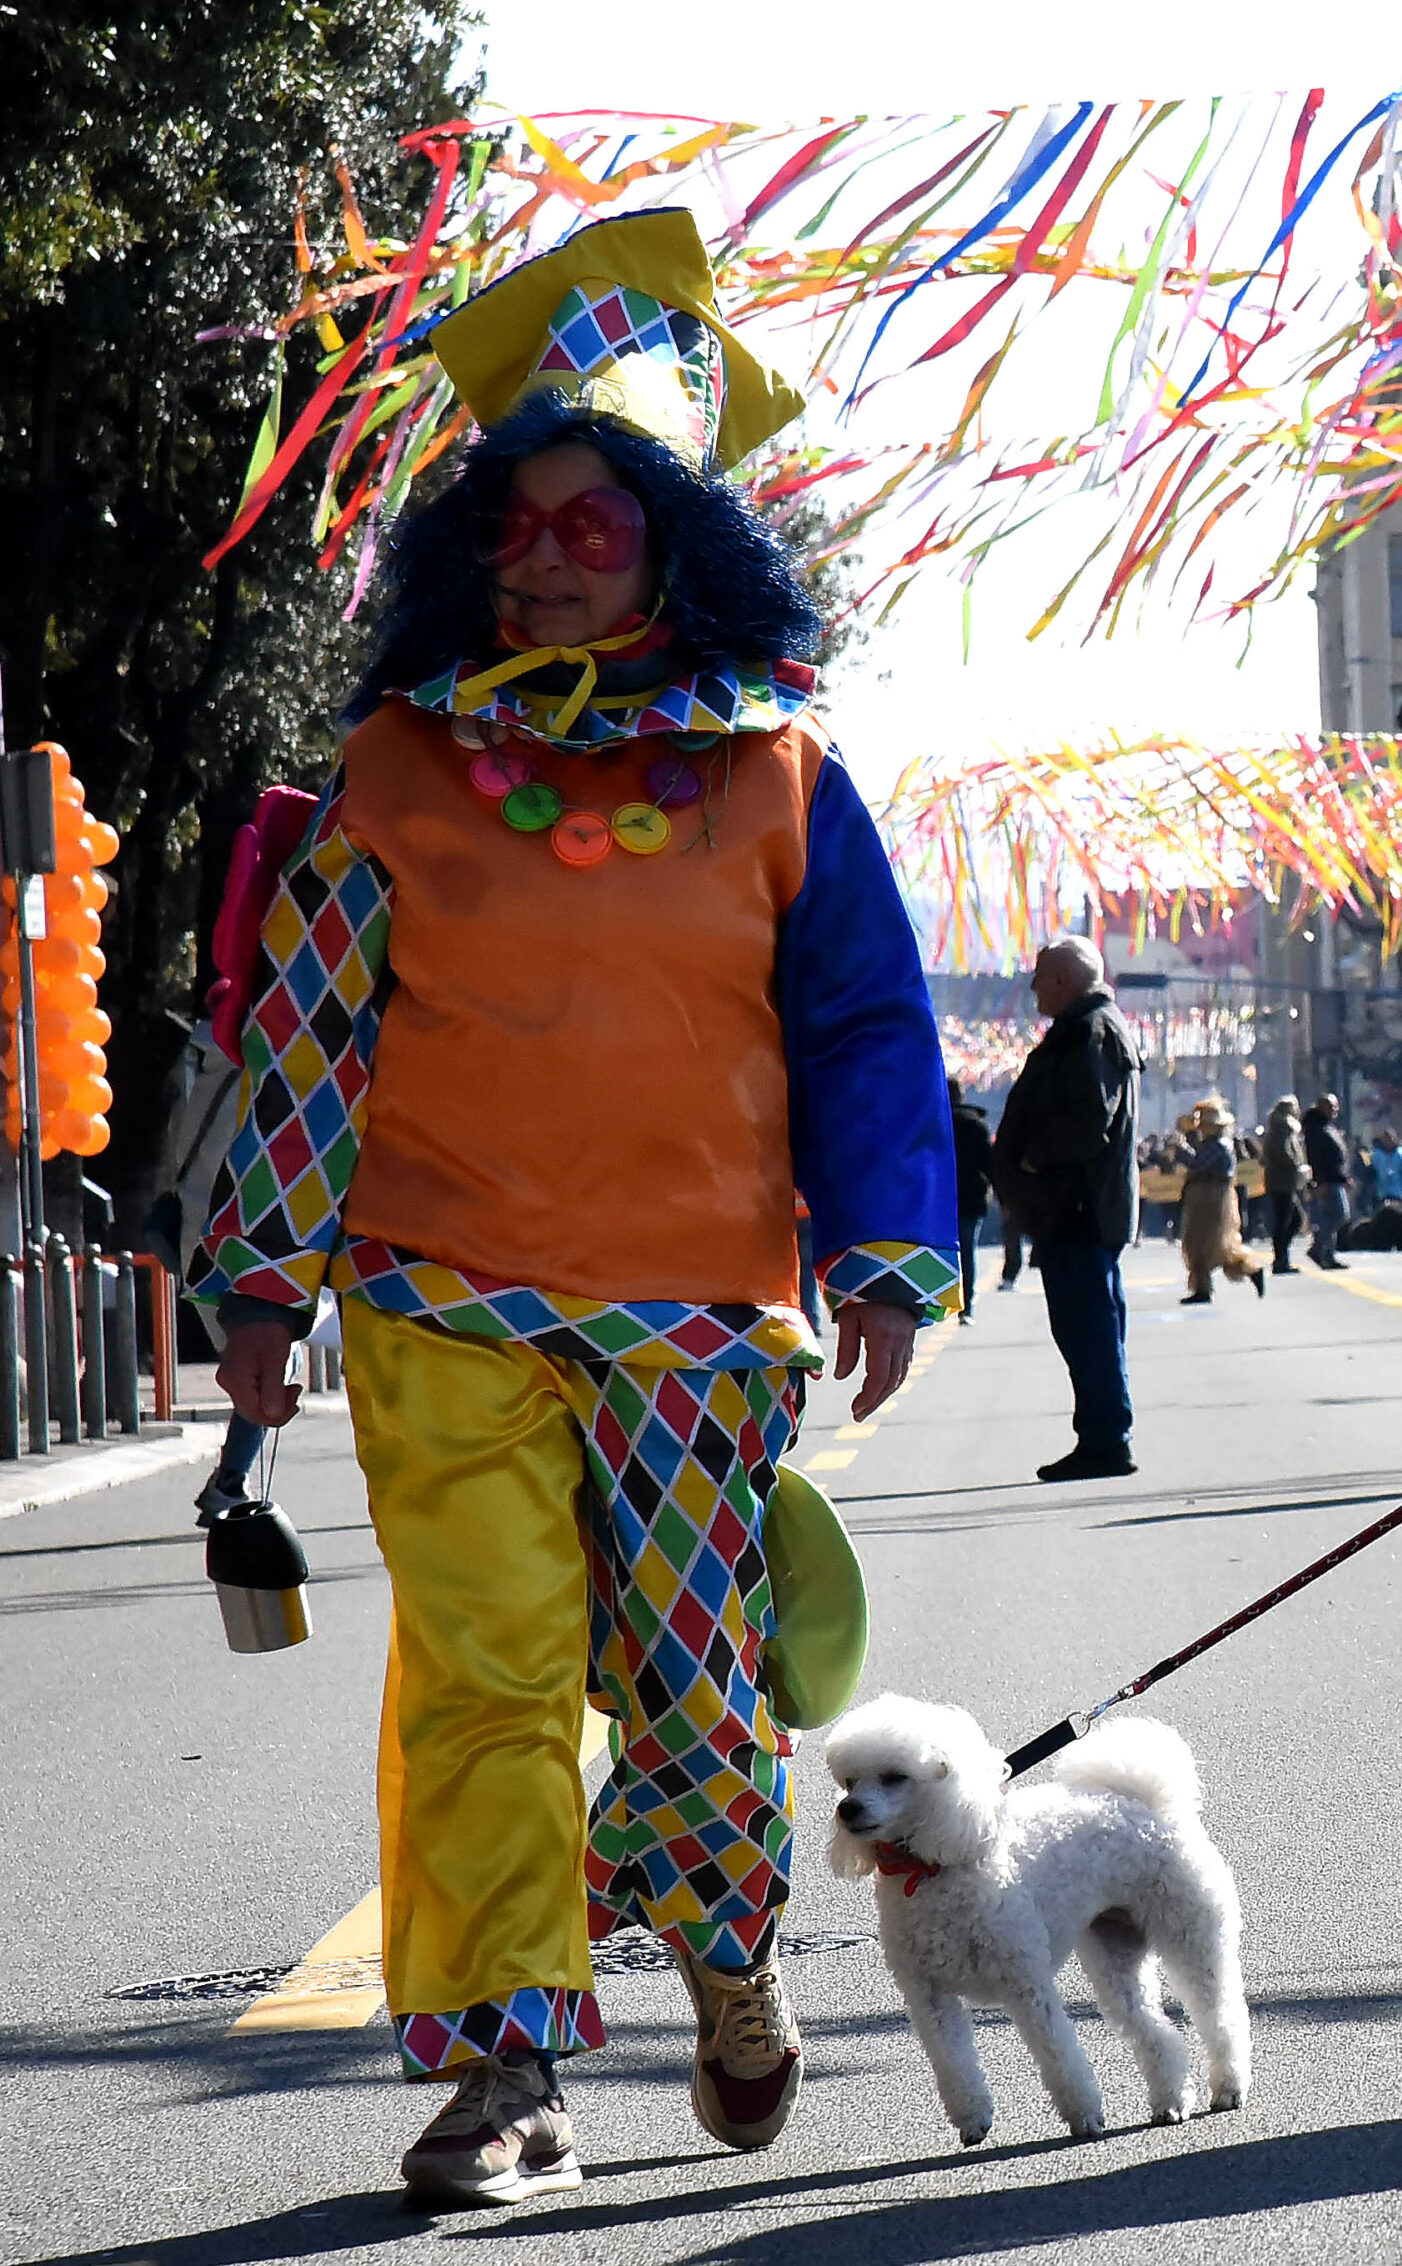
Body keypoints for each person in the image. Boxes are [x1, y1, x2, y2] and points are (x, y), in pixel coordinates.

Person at [187, 211, 958, 2204]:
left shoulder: (780, 774)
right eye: (511, 521)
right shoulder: (394, 762)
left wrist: (883, 1246)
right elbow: (309, 1038)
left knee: (701, 1693)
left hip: (696, 1319)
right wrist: (261, 1282)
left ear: (673, 544)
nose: (539, 550)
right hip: (441, 1300)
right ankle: (503, 2065)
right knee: (487, 1684)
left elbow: (867, 1026)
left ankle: (724, 1952)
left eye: (586, 521)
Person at [993, 937, 1140, 1481]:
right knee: (1087, 1328)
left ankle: (1105, 1440)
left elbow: (1087, 1124)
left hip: (1077, 1212)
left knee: (1088, 1328)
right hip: (1077, 1212)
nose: (1033, 987)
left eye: (1040, 975)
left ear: (1063, 980)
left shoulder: (1090, 1032)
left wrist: (1033, 1158)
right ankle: (1102, 1434)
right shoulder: (1087, 1028)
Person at [147, 1015, 268, 1516]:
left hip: (198, 1239)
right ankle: (229, 1480)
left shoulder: (199, 1079)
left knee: (249, 1363)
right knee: (264, 1365)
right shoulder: (259, 1080)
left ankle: (229, 1479)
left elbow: (176, 1157)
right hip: (242, 1237)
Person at [1177, 1099, 1266, 1304]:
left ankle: (1206, 1287)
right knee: (1212, 1245)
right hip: (1206, 1195)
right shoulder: (1212, 1144)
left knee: (1205, 1244)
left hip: (1211, 1197)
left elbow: (1198, 1165)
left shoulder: (1219, 1145)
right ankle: (1205, 1286)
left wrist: (1182, 1152)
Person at [949, 1079, 996, 1320]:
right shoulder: (975, 1124)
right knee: (967, 1253)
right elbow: (990, 1164)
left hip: (939, 1201)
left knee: (941, 1252)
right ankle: (965, 1306)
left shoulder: (933, 1125)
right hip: (971, 1198)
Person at [1304, 1093, 1352, 1270]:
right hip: (1328, 1181)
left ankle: (1328, 1255)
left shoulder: (1326, 1127)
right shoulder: (1316, 1129)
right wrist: (1320, 1181)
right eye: (1332, 1107)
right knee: (1339, 1215)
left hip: (1336, 1179)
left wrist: (1344, 1177)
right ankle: (1318, 1249)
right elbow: (1317, 1158)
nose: (1335, 1110)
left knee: (1332, 1216)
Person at [1262, 1095, 1308, 1274]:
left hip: (1283, 1181)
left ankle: (1282, 1256)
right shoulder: (1281, 1128)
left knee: (1292, 1219)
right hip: (1281, 1181)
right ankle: (1280, 1258)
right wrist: (1296, 1165)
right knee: (1287, 1220)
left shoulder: (1283, 1128)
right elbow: (1282, 1152)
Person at [1366, 1130, 1402, 1210]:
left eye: (1391, 1138)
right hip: (1382, 1195)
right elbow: (1371, 1175)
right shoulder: (1376, 1156)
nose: (1389, 1141)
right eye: (1386, 1138)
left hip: (1399, 1194)